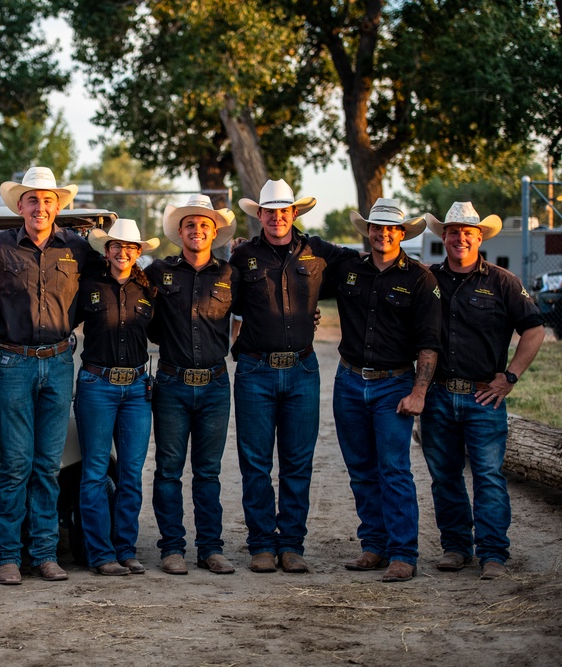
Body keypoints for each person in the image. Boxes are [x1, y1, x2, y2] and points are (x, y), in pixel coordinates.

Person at [230, 179, 358, 574]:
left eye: (284, 210)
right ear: (260, 215)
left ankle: (291, 545)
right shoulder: (242, 257)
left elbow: (363, 271)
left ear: (295, 213)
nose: (277, 217)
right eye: (269, 211)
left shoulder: (319, 251)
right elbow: (222, 303)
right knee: (254, 462)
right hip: (254, 369)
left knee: (298, 461)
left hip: (302, 369)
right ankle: (261, 545)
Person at [0, 166, 92, 585]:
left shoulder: (78, 248)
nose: (40, 207)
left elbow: (116, 280)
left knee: (47, 464)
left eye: (48, 200)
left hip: (60, 361)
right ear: (20, 205)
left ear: (57, 205)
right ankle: (7, 556)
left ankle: (43, 553)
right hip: (14, 362)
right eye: (32, 199)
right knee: (16, 463)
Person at [420, 202, 545, 580]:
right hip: (439, 394)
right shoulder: (427, 280)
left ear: (480, 237)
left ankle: (493, 553)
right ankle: (456, 547)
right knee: (444, 475)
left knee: (488, 475)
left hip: (483, 397)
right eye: (453, 232)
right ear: (444, 237)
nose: (460, 238)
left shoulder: (503, 282)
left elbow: (535, 329)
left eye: (467, 233)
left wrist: (510, 377)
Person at [328, 198, 441, 583]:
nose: (383, 234)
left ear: (402, 233)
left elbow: (429, 341)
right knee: (361, 469)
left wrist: (419, 391)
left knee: (394, 469)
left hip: (394, 384)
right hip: (349, 380)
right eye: (377, 227)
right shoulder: (348, 269)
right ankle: (373, 545)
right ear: (369, 231)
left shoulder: (421, 278)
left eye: (391, 228)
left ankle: (403, 553)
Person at [145, 194, 238, 576]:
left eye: (204, 224)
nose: (197, 230)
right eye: (189, 224)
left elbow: (253, 311)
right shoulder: (157, 272)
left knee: (208, 471)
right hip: (171, 382)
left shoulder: (231, 275)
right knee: (168, 469)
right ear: (179, 232)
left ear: (214, 232)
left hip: (215, 385)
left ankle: (210, 548)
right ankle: (171, 548)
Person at [74, 218, 159, 576]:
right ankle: (100, 553)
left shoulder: (149, 291)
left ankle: (126, 548)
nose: (122, 252)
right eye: (115, 246)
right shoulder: (88, 285)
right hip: (97, 385)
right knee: (94, 470)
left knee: (130, 472)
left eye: (130, 247)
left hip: (138, 389)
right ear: (106, 251)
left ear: (139, 253)